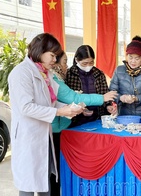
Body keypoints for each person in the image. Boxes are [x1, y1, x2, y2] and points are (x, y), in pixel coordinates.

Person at [7, 33, 84, 196]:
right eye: (52, 55)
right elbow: (26, 107)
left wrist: (71, 107)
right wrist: (59, 111)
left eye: (56, 56)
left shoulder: (45, 74)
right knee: (27, 186)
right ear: (39, 51)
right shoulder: (21, 73)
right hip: (28, 137)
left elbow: (50, 102)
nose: (55, 60)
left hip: (43, 134)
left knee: (45, 181)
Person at [49, 51, 118, 196]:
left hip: (71, 124)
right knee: (53, 171)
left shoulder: (98, 74)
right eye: (64, 61)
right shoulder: (59, 78)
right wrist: (101, 98)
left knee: (61, 169)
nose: (65, 65)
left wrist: (104, 105)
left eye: (91, 63)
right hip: (59, 128)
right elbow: (72, 97)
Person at [109, 35, 141, 119]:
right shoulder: (119, 70)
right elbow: (112, 91)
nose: (133, 61)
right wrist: (120, 97)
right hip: (123, 115)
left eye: (137, 58)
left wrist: (136, 98)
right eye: (130, 57)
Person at [65, 45, 112, 127]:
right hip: (75, 119)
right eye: (84, 63)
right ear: (76, 60)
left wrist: (108, 106)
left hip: (97, 117)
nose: (88, 66)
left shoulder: (99, 74)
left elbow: (105, 93)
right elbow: (66, 97)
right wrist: (80, 109)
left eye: (91, 63)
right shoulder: (69, 75)